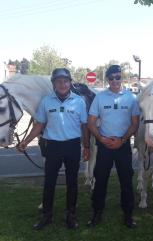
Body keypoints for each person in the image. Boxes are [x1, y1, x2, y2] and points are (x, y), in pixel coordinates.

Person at [18, 68, 90, 230]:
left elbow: (84, 126)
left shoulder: (79, 101)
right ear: (53, 84)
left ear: (70, 82)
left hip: (72, 145)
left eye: (65, 81)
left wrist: (86, 146)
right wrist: (25, 141)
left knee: (72, 182)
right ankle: (47, 215)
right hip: (53, 146)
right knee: (49, 182)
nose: (62, 84)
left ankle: (71, 215)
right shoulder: (46, 101)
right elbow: (39, 125)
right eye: (58, 81)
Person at [87, 65, 140, 228]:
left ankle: (128, 215)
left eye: (118, 77)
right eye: (111, 78)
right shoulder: (100, 97)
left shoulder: (131, 98)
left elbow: (135, 124)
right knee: (100, 181)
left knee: (126, 182)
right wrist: (101, 139)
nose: (115, 81)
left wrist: (122, 140)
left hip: (122, 146)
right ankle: (97, 213)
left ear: (121, 78)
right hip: (104, 146)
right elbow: (91, 122)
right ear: (107, 80)